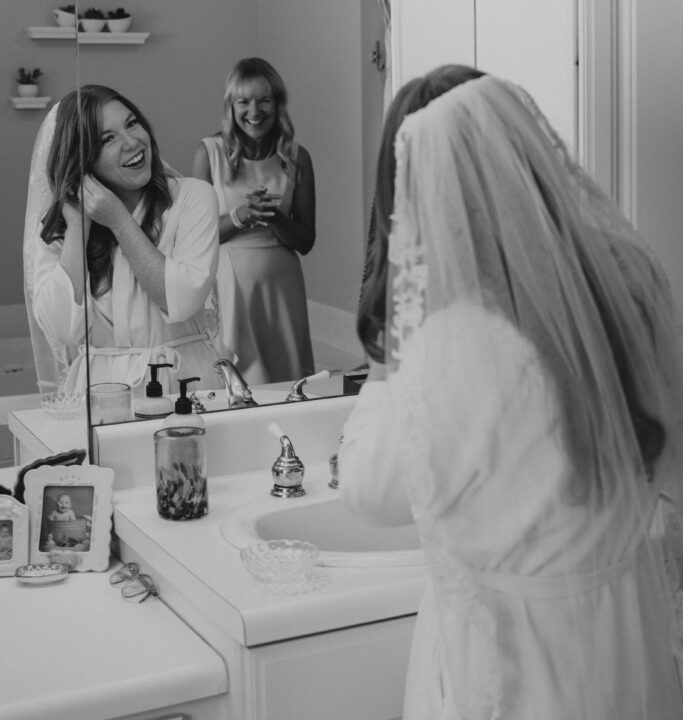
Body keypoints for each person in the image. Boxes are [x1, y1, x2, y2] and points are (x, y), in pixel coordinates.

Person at [340, 67, 683, 719]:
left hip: (515, 667)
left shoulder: (454, 340)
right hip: (626, 642)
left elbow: (371, 490)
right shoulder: (626, 282)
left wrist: (389, 353)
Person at [26, 85, 221, 397]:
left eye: (132, 123)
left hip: (185, 384)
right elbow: (62, 328)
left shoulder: (193, 198)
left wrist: (119, 221)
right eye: (108, 139)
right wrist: (78, 226)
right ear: (82, 160)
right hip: (100, 394)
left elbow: (182, 299)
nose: (132, 142)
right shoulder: (58, 227)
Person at [191, 57, 315, 386]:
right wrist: (240, 216)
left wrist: (273, 217)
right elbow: (195, 238)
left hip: (281, 290)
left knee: (287, 380)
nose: (254, 111)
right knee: (239, 380)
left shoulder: (297, 157)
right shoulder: (209, 153)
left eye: (264, 100)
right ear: (231, 106)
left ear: (278, 103)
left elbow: (306, 241)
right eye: (243, 101)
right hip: (228, 287)